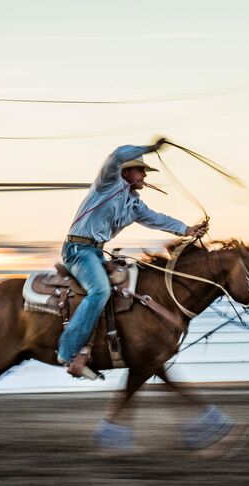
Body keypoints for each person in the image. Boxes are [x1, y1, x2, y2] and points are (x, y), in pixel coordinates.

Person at [57, 138, 208, 379]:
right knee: (100, 291)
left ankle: (100, 347)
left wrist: (187, 230)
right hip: (77, 250)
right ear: (126, 172)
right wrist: (151, 148)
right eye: (141, 170)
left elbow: (157, 219)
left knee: (123, 285)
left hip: (95, 252)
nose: (144, 176)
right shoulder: (107, 184)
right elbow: (117, 153)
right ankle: (68, 351)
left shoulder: (134, 205)